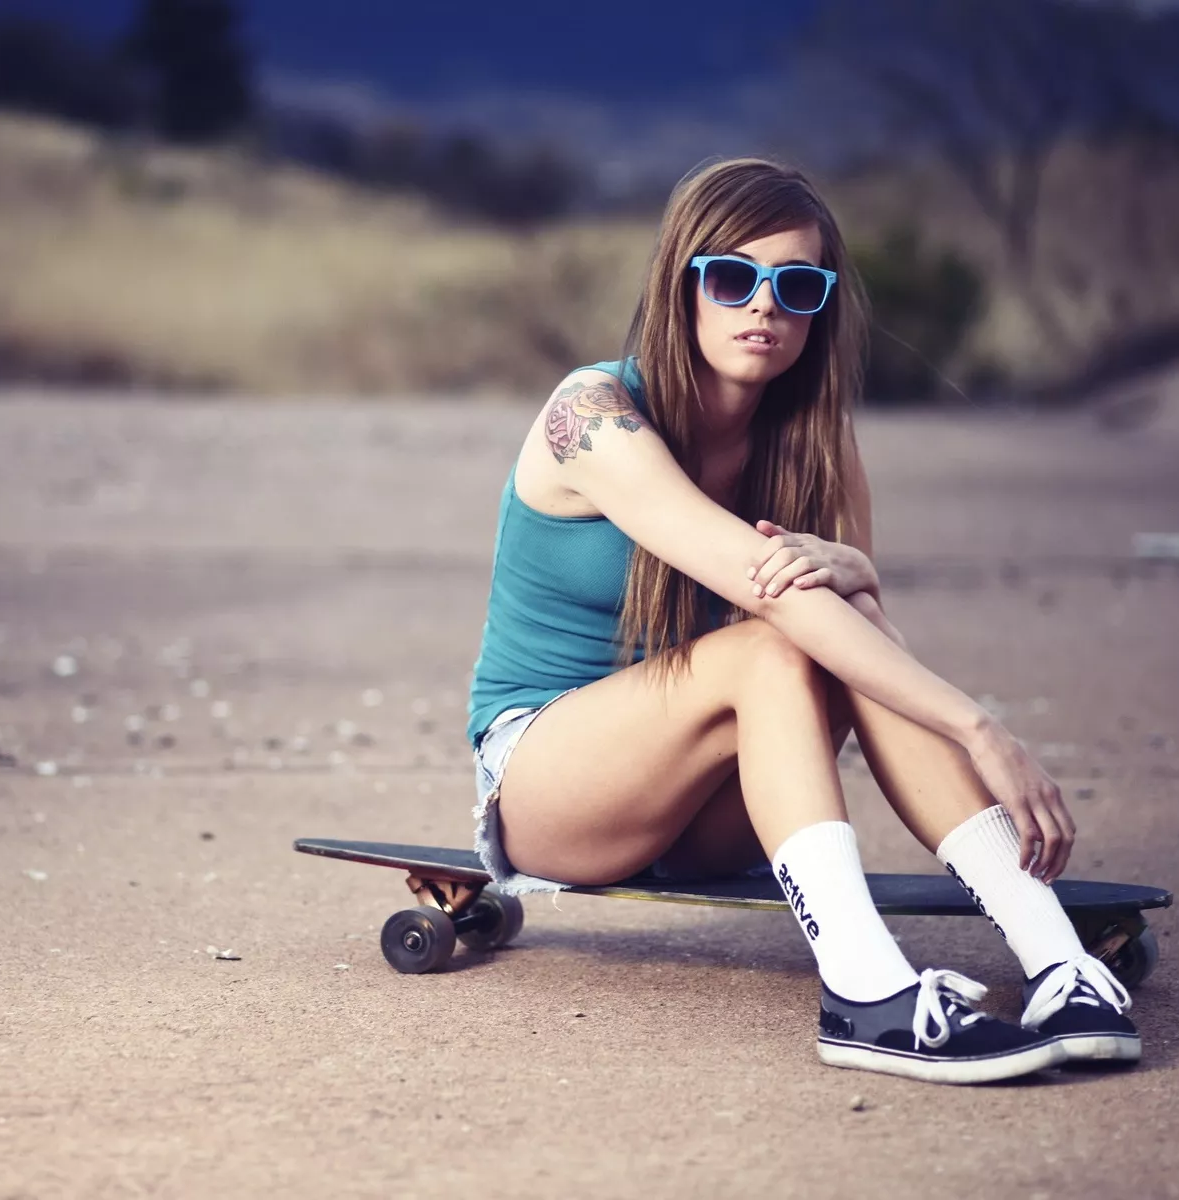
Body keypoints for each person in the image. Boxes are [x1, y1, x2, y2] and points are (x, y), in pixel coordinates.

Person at [465, 157, 1139, 1085]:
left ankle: (1059, 965)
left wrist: (859, 574)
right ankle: (865, 994)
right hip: (555, 787)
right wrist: (980, 729)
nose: (764, 306)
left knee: (836, 633)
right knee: (775, 645)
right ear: (681, 285)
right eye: (732, 277)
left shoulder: (816, 446)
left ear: (821, 306)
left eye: (796, 285)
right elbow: (769, 593)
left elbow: (855, 646)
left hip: (715, 807)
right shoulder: (593, 415)